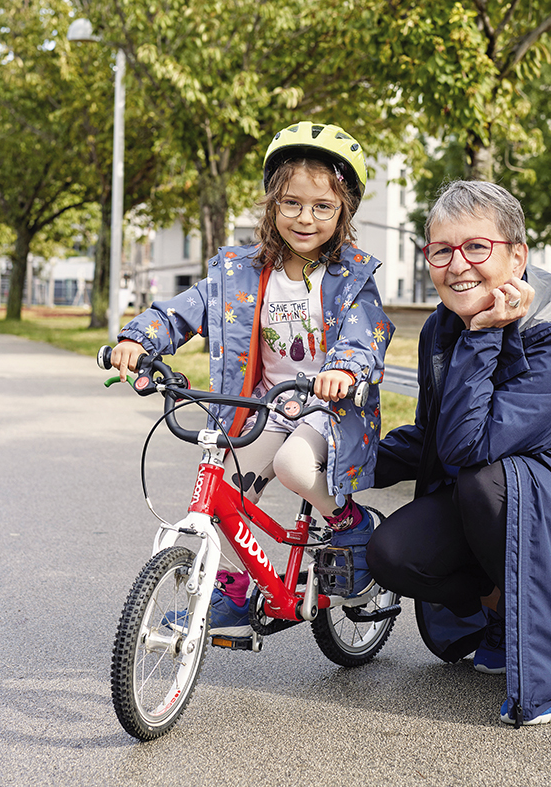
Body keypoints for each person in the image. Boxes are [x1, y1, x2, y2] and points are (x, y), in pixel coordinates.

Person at [367, 180, 551, 726]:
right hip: (519, 501)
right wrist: (345, 460)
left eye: (477, 247)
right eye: (441, 250)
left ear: (518, 256)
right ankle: (503, 610)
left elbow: (468, 444)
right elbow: (436, 434)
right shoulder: (441, 328)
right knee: (390, 552)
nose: (458, 265)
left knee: (484, 479)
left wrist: (484, 334)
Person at [110, 121, 394, 637]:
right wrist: (140, 340)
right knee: (222, 490)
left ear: (343, 210)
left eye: (322, 207)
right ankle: (241, 589)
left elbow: (365, 332)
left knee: (291, 464)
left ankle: (350, 522)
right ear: (271, 204)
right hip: (267, 407)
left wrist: (344, 369)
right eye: (291, 204)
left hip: (328, 411)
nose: (304, 218)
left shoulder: (352, 273)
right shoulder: (238, 270)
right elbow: (186, 310)